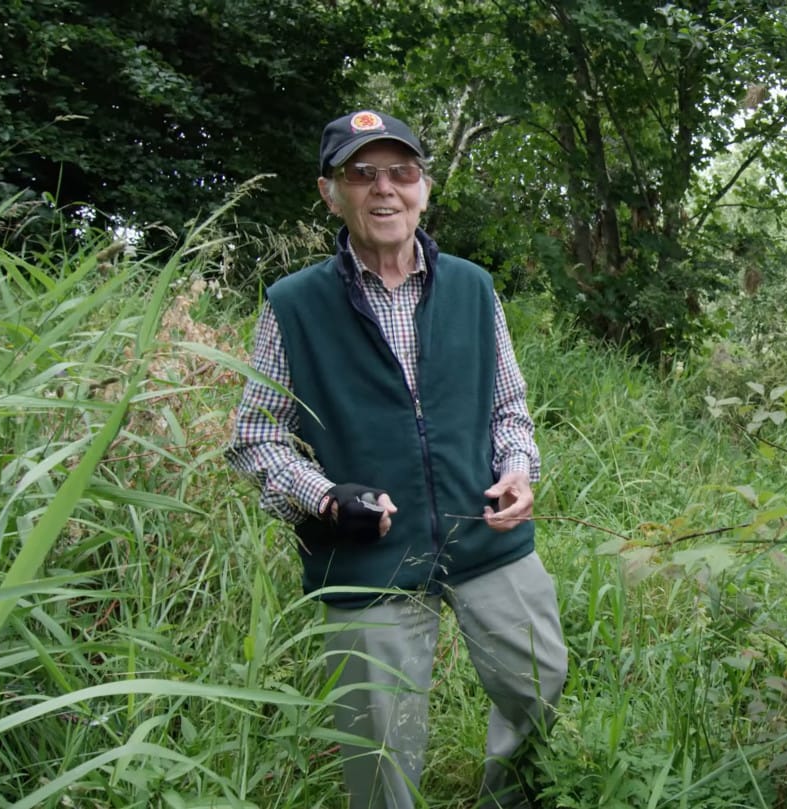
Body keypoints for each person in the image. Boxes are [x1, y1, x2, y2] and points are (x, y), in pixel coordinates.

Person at [227, 109, 567, 809]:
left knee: (540, 683)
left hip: (485, 536)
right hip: (367, 554)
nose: (385, 190)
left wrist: (520, 468)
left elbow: (510, 410)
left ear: (424, 186)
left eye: (401, 172)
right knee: (380, 747)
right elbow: (255, 435)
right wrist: (323, 496)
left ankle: (513, 799)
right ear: (331, 192)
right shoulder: (292, 306)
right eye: (363, 174)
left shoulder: (474, 288)